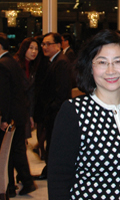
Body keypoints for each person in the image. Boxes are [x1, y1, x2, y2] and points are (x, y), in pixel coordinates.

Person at [48, 29, 120, 200]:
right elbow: (58, 178)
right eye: (102, 62)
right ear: (90, 67)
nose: (111, 70)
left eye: (118, 61)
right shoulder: (74, 111)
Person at [0, 33, 36, 197]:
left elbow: (5, 95)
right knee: (15, 150)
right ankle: (15, 185)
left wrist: (5, 119)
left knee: (9, 152)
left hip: (12, 116)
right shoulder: (12, 62)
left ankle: (11, 186)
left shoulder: (3, 64)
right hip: (19, 113)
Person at [33, 32, 72, 180]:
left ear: (58, 45)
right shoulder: (53, 61)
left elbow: (61, 92)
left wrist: (50, 109)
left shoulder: (61, 62)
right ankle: (48, 171)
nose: (44, 47)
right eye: (43, 44)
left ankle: (52, 173)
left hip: (56, 113)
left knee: (54, 145)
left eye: (48, 44)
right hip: (52, 112)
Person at [14, 37, 41, 139]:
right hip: (15, 110)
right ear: (24, 48)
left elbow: (31, 93)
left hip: (25, 109)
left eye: (36, 49)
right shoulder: (16, 64)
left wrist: (30, 115)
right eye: (31, 48)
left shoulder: (32, 66)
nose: (34, 51)